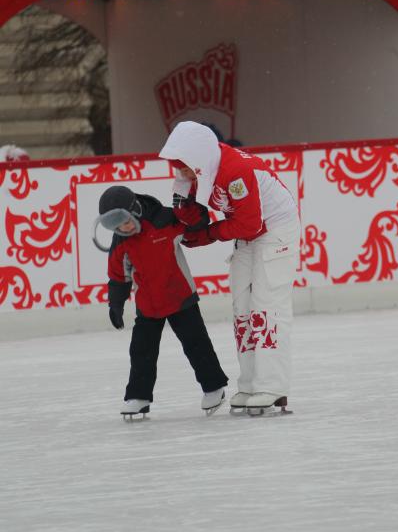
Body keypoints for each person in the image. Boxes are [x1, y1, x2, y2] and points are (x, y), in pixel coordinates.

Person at [159, 121, 300, 415]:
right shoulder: (195, 174)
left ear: (198, 158)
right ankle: (250, 383)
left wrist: (208, 234)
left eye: (184, 166)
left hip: (274, 230)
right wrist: (186, 216)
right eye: (177, 166)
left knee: (266, 306)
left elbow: (249, 223)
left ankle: (272, 386)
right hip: (248, 234)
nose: (180, 172)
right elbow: (191, 215)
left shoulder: (236, 171)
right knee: (242, 308)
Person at [94, 185, 228, 417]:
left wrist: (189, 206)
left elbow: (195, 226)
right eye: (113, 224)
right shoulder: (121, 241)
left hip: (180, 297)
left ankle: (214, 387)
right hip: (148, 305)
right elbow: (118, 275)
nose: (120, 228)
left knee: (196, 344)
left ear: (135, 210)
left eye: (122, 221)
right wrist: (115, 304)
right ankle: (138, 396)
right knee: (141, 351)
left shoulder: (164, 219)